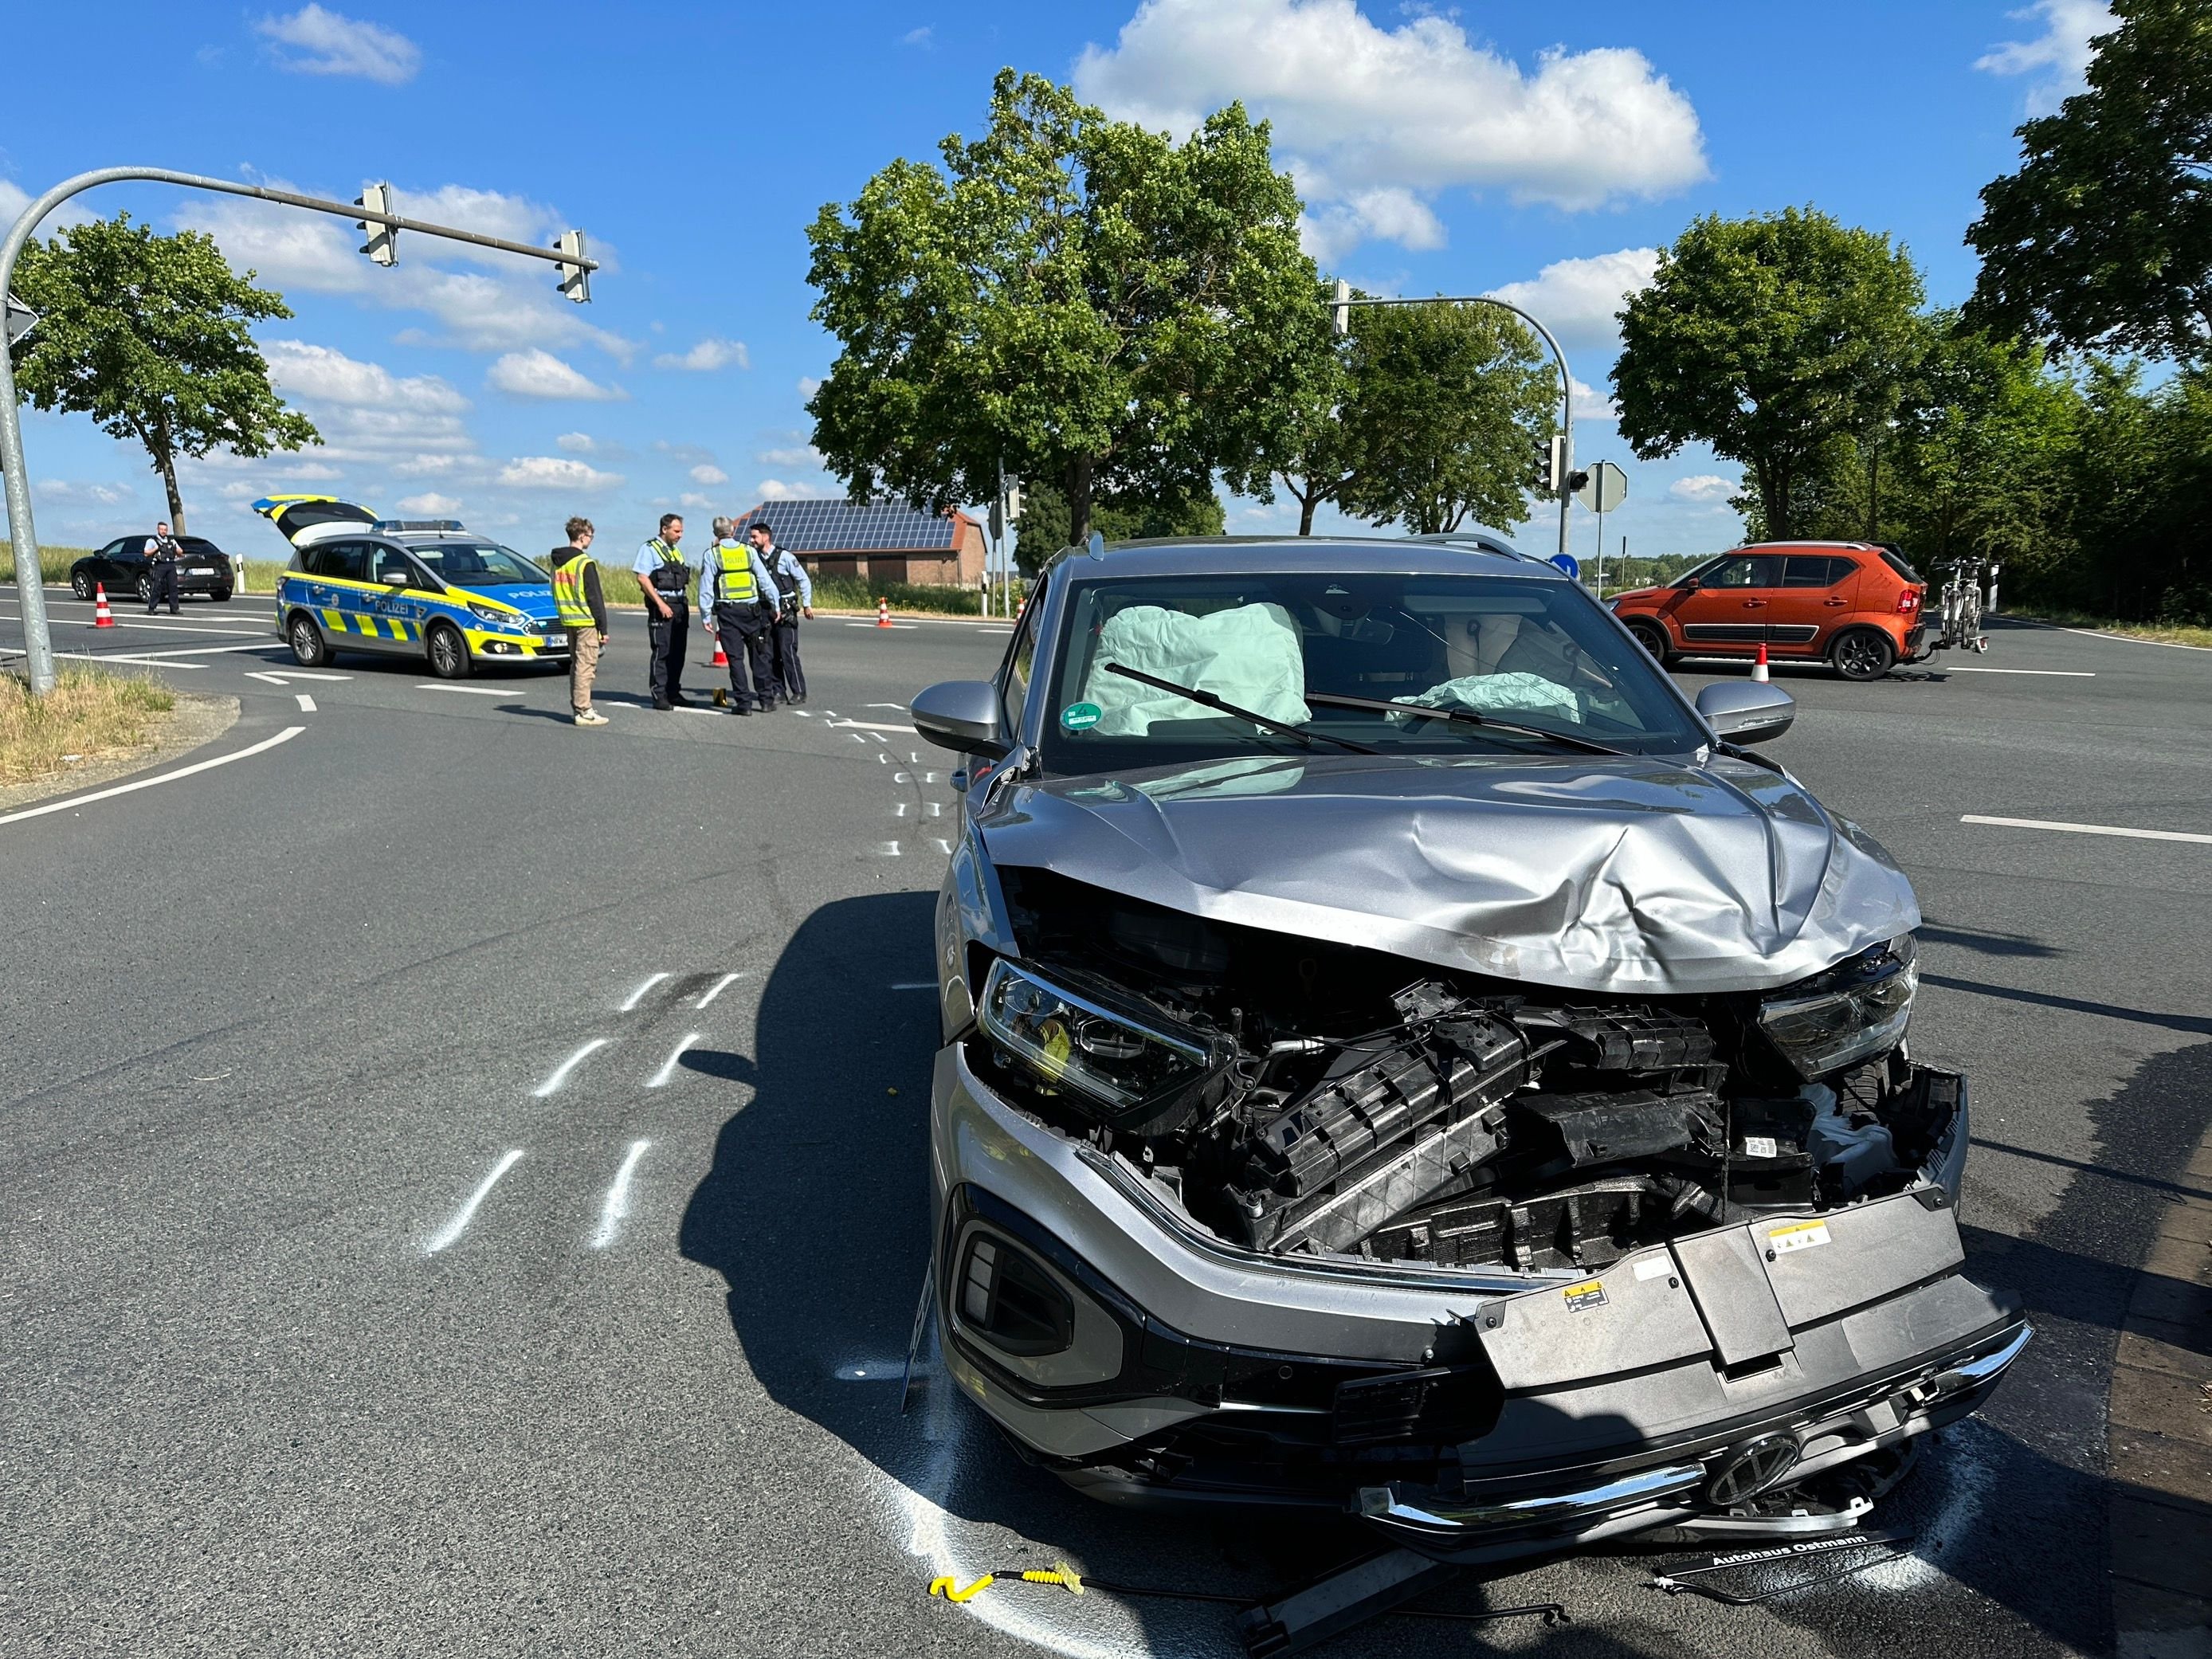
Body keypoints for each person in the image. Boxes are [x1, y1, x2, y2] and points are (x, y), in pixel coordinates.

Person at [700, 516, 782, 714]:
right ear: (734, 530)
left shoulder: (713, 555)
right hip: (752, 612)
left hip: (728, 613)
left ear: (715, 534)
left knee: (736, 660)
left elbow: (706, 587)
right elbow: (764, 580)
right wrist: (776, 604)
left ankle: (744, 704)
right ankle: (766, 701)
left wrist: (705, 615)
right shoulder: (748, 551)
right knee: (759, 656)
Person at [550, 516, 609, 726]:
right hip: (585, 620)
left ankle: (579, 706)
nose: (591, 540)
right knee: (586, 666)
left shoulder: (558, 563)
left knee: (577, 665)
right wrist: (603, 627)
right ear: (583, 536)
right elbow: (594, 597)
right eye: (591, 536)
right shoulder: (584, 563)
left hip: (568, 619)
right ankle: (584, 710)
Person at [633, 513, 693, 710]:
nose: (680, 535)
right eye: (677, 531)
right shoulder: (649, 549)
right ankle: (659, 695)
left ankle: (673, 692)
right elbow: (643, 578)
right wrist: (660, 604)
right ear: (664, 529)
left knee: (678, 653)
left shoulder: (675, 551)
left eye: (682, 531)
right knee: (662, 652)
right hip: (663, 605)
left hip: (679, 605)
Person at [750, 520, 814, 705]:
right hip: (765, 610)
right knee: (769, 652)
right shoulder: (754, 557)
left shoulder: (785, 556)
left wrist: (807, 605)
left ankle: (799, 691)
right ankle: (778, 691)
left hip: (786, 610)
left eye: (755, 536)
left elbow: (803, 580)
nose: (752, 540)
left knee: (787, 651)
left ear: (766, 536)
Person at [143, 521, 183, 615]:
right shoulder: (152, 541)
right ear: (158, 530)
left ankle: (174, 609)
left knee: (173, 587)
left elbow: (180, 552)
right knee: (157, 587)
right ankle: (152, 608)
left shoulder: (171, 541)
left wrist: (177, 550)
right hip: (160, 565)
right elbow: (146, 553)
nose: (163, 531)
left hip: (171, 565)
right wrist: (155, 549)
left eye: (165, 530)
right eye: (161, 529)